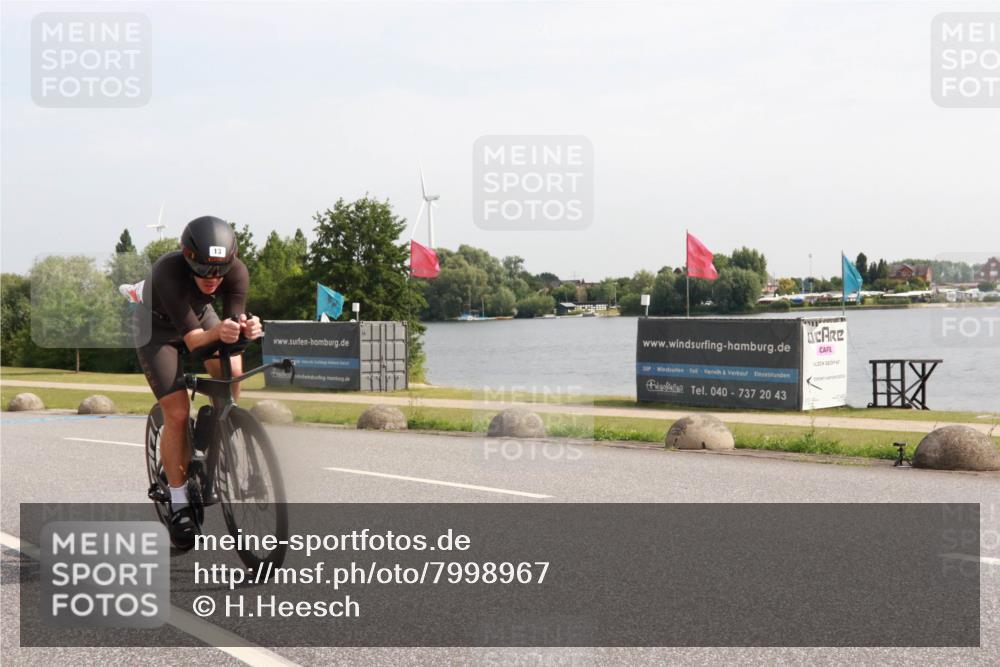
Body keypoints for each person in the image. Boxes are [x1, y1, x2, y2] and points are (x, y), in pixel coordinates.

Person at [134, 216, 263, 550]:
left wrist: (245, 331)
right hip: (158, 330)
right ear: (188, 258)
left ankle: (215, 427)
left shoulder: (236, 272)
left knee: (233, 372)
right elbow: (194, 341)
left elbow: (231, 326)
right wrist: (222, 331)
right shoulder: (169, 270)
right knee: (176, 411)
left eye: (219, 271)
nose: (212, 279)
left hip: (200, 316)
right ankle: (178, 503)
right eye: (203, 270)